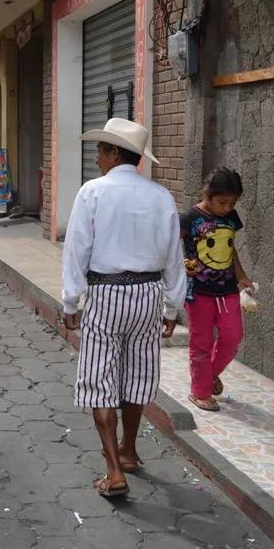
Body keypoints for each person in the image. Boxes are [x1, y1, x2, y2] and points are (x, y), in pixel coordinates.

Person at [61, 118, 186, 498]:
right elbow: (174, 257)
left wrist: (70, 300)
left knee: (100, 380)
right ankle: (129, 451)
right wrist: (171, 308)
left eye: (100, 151)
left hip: (107, 294)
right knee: (137, 376)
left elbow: (77, 250)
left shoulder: (92, 192)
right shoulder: (161, 196)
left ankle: (114, 471)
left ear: (114, 153)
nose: (96, 158)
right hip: (148, 295)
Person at [181, 167, 252, 412]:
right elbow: (168, 246)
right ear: (208, 194)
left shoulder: (231, 218)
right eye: (223, 202)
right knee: (201, 343)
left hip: (227, 289)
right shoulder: (190, 218)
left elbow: (230, 248)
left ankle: (209, 375)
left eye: (232, 203)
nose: (227, 208)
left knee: (233, 336)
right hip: (197, 291)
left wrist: (241, 276)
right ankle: (200, 392)